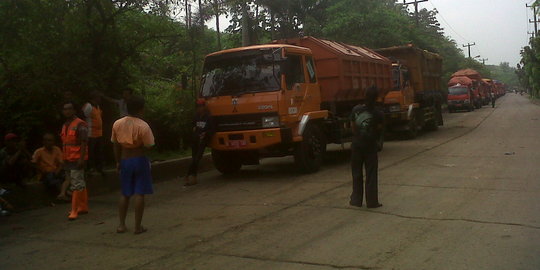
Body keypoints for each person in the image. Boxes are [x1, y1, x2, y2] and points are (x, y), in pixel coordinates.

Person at [111, 96, 155, 235]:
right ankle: (137, 226)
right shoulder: (143, 125)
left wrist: (118, 161)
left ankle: (121, 225)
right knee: (139, 193)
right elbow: (149, 145)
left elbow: (115, 145)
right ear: (141, 109)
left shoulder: (117, 124)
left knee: (125, 193)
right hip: (139, 159)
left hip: (125, 159)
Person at [349, 86, 384, 209]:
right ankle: (372, 202)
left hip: (357, 145)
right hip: (370, 147)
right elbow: (379, 130)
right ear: (376, 98)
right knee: (371, 174)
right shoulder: (378, 113)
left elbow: (353, 127)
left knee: (356, 173)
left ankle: (356, 200)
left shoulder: (356, 110)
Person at [61, 101, 89, 220]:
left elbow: (83, 142)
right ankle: (83, 206)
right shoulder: (65, 125)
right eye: (65, 109)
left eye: (69, 109)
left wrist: (81, 159)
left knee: (76, 184)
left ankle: (74, 210)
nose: (67, 111)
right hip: (68, 158)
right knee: (79, 182)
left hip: (77, 158)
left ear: (74, 110)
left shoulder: (80, 124)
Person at [184, 100, 214, 186]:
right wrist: (193, 129)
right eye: (198, 107)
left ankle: (188, 175)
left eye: (201, 106)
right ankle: (193, 177)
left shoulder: (208, 117)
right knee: (194, 158)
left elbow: (212, 130)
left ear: (204, 107)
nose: (199, 108)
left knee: (197, 158)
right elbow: (193, 125)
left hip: (202, 140)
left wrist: (206, 133)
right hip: (195, 139)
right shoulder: (196, 116)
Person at [32, 133, 64, 200]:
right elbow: (33, 163)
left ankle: (64, 194)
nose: (48, 142)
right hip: (44, 174)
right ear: (43, 142)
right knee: (51, 177)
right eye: (46, 140)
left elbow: (61, 163)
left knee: (66, 175)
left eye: (50, 140)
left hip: (55, 172)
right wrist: (41, 170)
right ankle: (64, 194)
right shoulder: (39, 151)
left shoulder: (57, 149)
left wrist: (57, 171)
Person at [82, 91, 104, 175]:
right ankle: (90, 168)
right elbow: (83, 116)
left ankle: (99, 167)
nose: (100, 99)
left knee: (98, 151)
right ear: (94, 98)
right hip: (90, 133)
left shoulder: (97, 106)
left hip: (99, 133)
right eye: (98, 98)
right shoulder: (88, 106)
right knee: (90, 152)